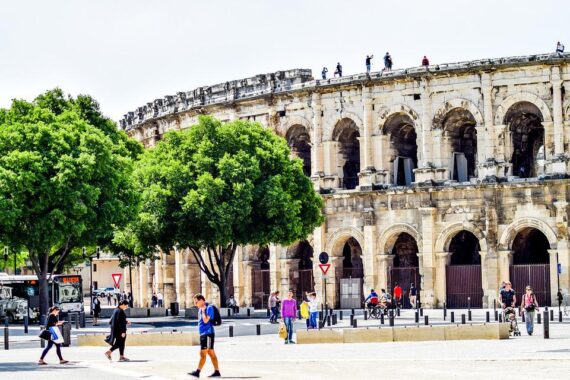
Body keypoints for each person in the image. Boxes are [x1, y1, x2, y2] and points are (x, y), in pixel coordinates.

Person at [188, 294, 221, 378]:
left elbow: (206, 320)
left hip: (208, 334)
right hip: (203, 334)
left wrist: (203, 311)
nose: (195, 304)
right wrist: (201, 310)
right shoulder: (201, 309)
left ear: (201, 300)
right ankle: (217, 371)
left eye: (196, 302)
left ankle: (197, 372)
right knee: (211, 353)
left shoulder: (209, 308)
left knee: (203, 353)